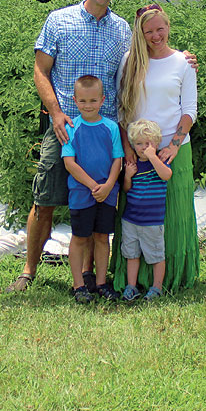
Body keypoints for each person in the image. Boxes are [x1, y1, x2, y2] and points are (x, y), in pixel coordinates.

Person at [5, 0, 131, 293]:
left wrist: (181, 59)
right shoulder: (59, 21)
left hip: (106, 132)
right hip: (65, 128)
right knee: (45, 197)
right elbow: (40, 70)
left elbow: (135, 72)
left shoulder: (122, 29)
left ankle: (89, 277)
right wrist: (56, 114)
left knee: (99, 200)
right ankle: (29, 270)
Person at [113, 3, 199, 292]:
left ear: (168, 27)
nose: (155, 35)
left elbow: (189, 110)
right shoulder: (129, 61)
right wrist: (128, 150)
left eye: (160, 28)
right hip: (137, 153)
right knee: (136, 213)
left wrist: (174, 145)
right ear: (140, 33)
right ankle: (133, 282)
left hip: (172, 152)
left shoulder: (183, 63)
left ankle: (169, 279)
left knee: (172, 214)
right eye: (148, 31)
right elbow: (122, 110)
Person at [60, 76, 123, 302]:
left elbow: (118, 159)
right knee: (79, 237)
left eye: (93, 100)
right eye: (83, 101)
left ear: (103, 100)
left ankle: (101, 283)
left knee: (102, 237)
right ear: (75, 101)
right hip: (81, 194)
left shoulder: (111, 127)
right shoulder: (71, 128)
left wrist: (107, 186)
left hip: (106, 194)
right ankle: (79, 286)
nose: (89, 106)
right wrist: (92, 185)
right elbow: (70, 162)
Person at [120, 118, 172, 302]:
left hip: (152, 222)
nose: (143, 148)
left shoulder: (159, 162)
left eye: (148, 143)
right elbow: (127, 190)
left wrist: (152, 157)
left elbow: (166, 175)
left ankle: (156, 287)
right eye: (139, 144)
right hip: (131, 220)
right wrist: (128, 176)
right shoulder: (134, 165)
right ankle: (131, 286)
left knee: (156, 255)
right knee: (132, 254)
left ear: (157, 143)